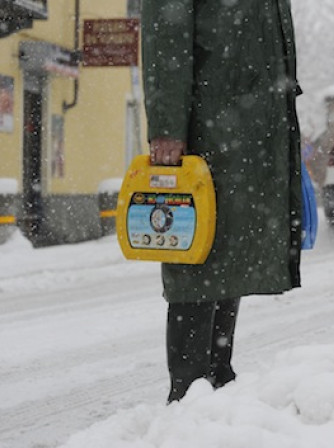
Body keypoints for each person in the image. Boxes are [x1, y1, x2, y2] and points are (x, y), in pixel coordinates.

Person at [141, 0, 303, 403]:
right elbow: (166, 39)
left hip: (244, 127)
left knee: (228, 250)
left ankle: (218, 373)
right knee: (196, 254)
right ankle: (188, 387)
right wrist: (166, 127)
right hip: (206, 127)